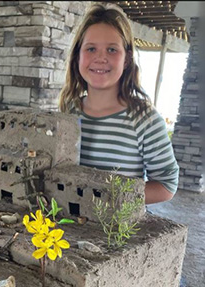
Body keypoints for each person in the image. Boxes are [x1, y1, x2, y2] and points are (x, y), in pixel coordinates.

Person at [58, 3, 179, 205]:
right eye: (91, 48)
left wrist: (109, 198)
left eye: (112, 49)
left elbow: (167, 185)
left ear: (126, 59)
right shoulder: (68, 111)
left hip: (114, 233)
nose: (101, 58)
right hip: (66, 230)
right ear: (78, 56)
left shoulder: (144, 119)